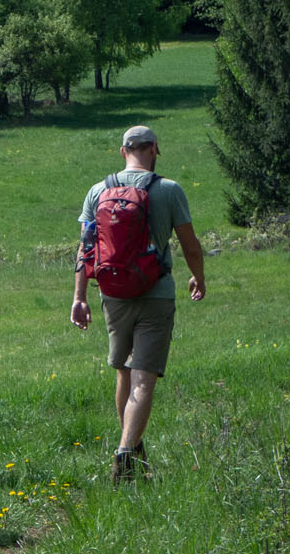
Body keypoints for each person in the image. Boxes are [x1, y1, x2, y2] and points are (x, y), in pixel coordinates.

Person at [71, 124, 207, 483]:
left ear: (123, 151)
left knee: (124, 373)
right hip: (156, 293)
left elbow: (85, 249)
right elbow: (190, 244)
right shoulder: (169, 191)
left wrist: (79, 298)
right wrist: (199, 276)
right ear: (155, 150)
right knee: (143, 378)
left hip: (113, 295)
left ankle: (133, 455)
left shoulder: (97, 191)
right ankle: (125, 453)